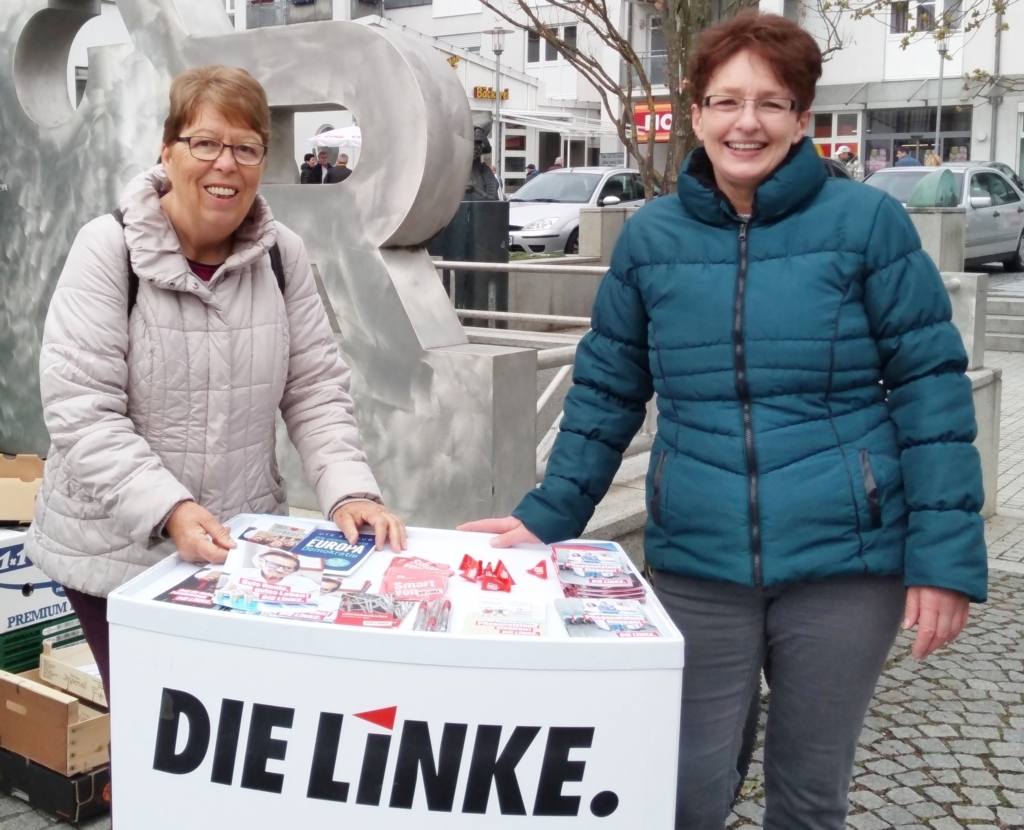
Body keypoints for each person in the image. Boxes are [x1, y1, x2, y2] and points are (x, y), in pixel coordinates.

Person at [460, 11, 986, 830]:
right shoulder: (652, 237)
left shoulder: (866, 224)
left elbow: (931, 389)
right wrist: (550, 514)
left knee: (808, 797)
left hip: (845, 565)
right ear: (696, 112)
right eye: (727, 101)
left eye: (772, 103)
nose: (748, 122)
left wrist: (944, 560)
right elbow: (606, 389)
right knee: (680, 789)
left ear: (802, 120)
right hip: (697, 562)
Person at [26, 65, 407, 702]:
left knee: (227, 725)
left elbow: (314, 387)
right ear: (168, 151)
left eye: (246, 147)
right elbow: (81, 408)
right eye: (205, 142)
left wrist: (348, 492)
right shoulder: (108, 248)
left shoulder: (282, 255)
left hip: (237, 546)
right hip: (117, 550)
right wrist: (170, 510)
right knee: (154, 725)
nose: (225, 163)